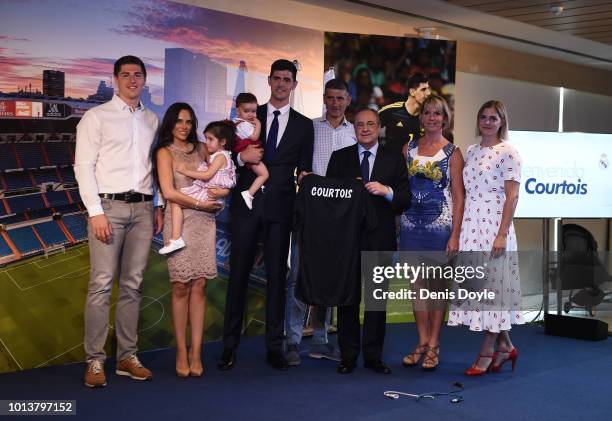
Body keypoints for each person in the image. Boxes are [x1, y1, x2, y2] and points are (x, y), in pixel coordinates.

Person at [219, 59, 314, 371]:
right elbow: (223, 154)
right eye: (277, 78)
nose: (282, 84)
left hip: (280, 211)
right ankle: (229, 347)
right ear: (269, 81)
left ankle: (275, 347)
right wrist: (238, 154)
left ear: (294, 85)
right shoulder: (249, 114)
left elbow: (305, 170)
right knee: (238, 278)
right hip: (246, 207)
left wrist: (314, 184)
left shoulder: (304, 125)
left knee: (276, 278)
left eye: (288, 79)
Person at [75, 55, 164, 388]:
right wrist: (95, 211)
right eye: (125, 75)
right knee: (100, 284)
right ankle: (95, 361)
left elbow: (156, 169)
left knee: (132, 286)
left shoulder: (153, 120)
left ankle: (127, 356)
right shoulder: (96, 117)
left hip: (142, 210)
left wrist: (158, 205)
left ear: (144, 80)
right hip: (108, 209)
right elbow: (83, 167)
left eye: (137, 75)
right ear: (115, 79)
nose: (131, 80)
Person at [326, 108, 410, 375]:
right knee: (347, 299)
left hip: (380, 238)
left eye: (370, 124)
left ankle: (373, 356)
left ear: (379, 128)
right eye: (360, 124)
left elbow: (405, 198)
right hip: (346, 240)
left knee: (376, 300)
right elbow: (329, 198)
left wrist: (387, 192)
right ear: (354, 128)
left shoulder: (394, 158)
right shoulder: (339, 158)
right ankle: (348, 355)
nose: (364, 128)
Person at [447, 100, 524, 375]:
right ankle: (507, 346)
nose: (487, 122)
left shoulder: (509, 152)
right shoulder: (471, 150)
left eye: (493, 118)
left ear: (502, 122)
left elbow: (512, 196)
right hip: (472, 225)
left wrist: (502, 233)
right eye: (483, 117)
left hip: (494, 229)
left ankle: (487, 350)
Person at [155, 104, 230, 377]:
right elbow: (168, 192)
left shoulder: (202, 148)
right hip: (179, 222)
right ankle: (180, 351)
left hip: (205, 223)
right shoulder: (164, 152)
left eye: (188, 121)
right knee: (180, 287)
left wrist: (218, 197)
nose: (184, 126)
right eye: (179, 121)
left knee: (199, 286)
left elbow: (222, 172)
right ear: (170, 123)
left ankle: (196, 353)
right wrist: (201, 205)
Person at [285, 78, 356, 366]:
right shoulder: (310, 128)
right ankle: (291, 339)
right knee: (298, 275)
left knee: (328, 277)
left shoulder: (355, 133)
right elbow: (300, 165)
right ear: (324, 99)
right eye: (330, 98)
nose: (335, 103)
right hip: (310, 213)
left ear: (348, 100)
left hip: (339, 218)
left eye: (340, 98)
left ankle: (320, 340)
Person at [399, 95, 464, 371]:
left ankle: (435, 344)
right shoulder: (408, 148)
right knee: (417, 288)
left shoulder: (454, 153)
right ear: (421, 117)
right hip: (411, 227)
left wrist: (455, 236)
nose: (432, 118)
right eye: (428, 113)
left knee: (438, 290)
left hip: (441, 229)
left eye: (437, 113)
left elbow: (460, 197)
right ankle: (421, 342)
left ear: (445, 118)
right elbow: (401, 190)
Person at [158, 119, 236, 255]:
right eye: (206, 138)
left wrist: (185, 171)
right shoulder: (221, 156)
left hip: (209, 195)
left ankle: (176, 239)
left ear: (222, 142)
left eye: (210, 139)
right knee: (176, 200)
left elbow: (207, 175)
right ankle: (176, 239)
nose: (207, 142)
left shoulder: (220, 157)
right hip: (210, 194)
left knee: (175, 201)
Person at [379, 73, 431, 154]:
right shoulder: (392, 111)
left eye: (428, 89)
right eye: (423, 89)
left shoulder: (428, 117)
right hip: (392, 164)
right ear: (412, 92)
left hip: (415, 165)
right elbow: (370, 126)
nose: (428, 93)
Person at [232, 92, 268, 210]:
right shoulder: (245, 125)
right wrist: (258, 124)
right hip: (249, 154)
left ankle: (249, 194)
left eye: (253, 111)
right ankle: (249, 193)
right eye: (246, 111)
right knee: (264, 174)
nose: (251, 114)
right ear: (238, 111)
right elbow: (254, 137)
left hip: (249, 152)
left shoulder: (236, 122)